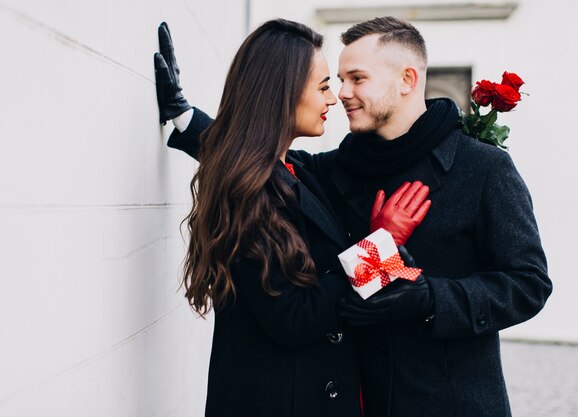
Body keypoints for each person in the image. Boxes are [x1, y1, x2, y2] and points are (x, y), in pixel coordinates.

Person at [156, 17, 552, 417]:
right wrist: (187, 119)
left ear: (407, 80)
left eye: (357, 78)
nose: (342, 93)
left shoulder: (484, 169)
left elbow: (529, 284)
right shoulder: (342, 168)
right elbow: (263, 165)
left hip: (448, 403)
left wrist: (434, 298)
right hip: (357, 399)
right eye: (336, 80)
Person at [154, 19, 431, 417]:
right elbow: (295, 319)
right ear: (281, 93)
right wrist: (381, 243)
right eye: (323, 86)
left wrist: (185, 117)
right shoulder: (246, 193)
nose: (334, 98)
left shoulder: (291, 169)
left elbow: (241, 155)